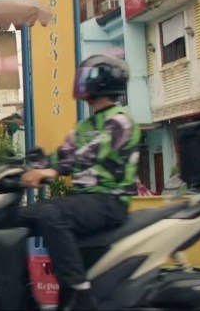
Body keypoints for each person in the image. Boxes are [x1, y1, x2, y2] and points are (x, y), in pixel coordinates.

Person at [20, 53, 140, 310]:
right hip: (85, 200)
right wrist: (30, 167)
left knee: (52, 215)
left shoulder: (120, 121)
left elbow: (89, 153)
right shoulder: (85, 125)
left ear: (103, 83)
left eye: (87, 77)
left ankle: (78, 290)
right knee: (24, 215)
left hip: (109, 200)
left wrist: (52, 171)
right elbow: (63, 154)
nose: (81, 82)